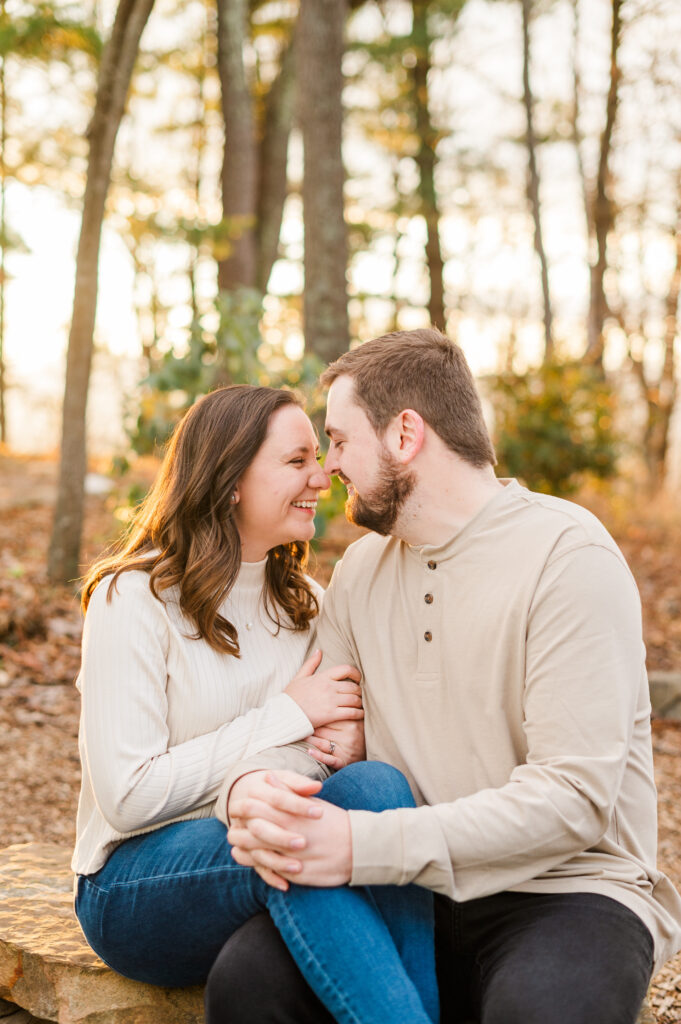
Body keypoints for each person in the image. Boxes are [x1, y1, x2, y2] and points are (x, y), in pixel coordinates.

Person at [210, 329, 681, 1024]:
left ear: (404, 433)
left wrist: (357, 844)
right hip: (408, 887)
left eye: (340, 441)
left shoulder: (566, 556)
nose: (328, 467)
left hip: (567, 891)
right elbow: (319, 742)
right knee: (246, 982)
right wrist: (250, 789)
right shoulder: (361, 574)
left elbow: (571, 800)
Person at [71, 384, 439, 1024]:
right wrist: (289, 719)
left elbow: (319, 758)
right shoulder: (131, 598)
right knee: (295, 834)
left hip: (261, 842)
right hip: (132, 883)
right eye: (297, 460)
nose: (322, 477)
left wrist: (344, 747)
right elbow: (128, 795)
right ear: (231, 479)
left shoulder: (306, 603)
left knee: (377, 787)